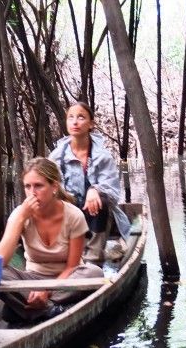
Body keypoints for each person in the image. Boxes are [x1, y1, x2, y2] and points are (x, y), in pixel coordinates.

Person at [0, 157, 104, 323]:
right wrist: (21, 217)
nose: (32, 193)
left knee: (94, 273)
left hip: (67, 280)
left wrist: (48, 291)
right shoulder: (20, 215)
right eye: (27, 187)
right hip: (31, 281)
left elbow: (72, 266)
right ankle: (48, 309)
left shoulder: (74, 215)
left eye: (38, 186)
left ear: (54, 187)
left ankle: (27, 309)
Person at [48, 102, 131, 263]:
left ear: (91, 124)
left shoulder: (103, 156)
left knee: (101, 201)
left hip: (95, 214)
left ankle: (93, 259)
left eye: (81, 117)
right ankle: (61, 256)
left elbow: (113, 193)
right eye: (70, 117)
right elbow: (48, 186)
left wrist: (96, 190)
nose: (75, 122)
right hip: (67, 213)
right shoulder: (56, 156)